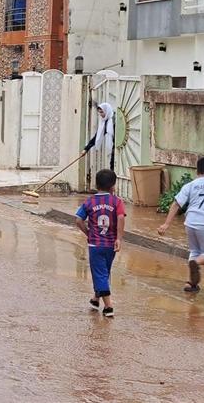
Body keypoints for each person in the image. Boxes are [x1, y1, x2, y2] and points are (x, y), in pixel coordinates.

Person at [158, 157, 204, 293]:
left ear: (197, 170)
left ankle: (191, 283)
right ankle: (195, 263)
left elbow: (176, 204)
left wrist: (166, 224)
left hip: (190, 223)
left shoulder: (190, 185)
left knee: (194, 251)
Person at [75, 169, 125, 317]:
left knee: (100, 273)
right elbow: (121, 218)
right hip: (111, 244)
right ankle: (96, 299)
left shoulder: (89, 201)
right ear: (113, 186)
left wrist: (88, 233)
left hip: (95, 245)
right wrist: (119, 238)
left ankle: (109, 307)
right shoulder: (117, 202)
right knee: (104, 272)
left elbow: (78, 220)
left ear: (96, 185)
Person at [82, 102, 115, 171]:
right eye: (99, 112)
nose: (101, 114)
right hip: (114, 148)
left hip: (118, 146)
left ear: (107, 110)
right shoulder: (105, 123)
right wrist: (86, 149)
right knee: (112, 165)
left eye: (102, 112)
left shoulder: (114, 120)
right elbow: (96, 137)